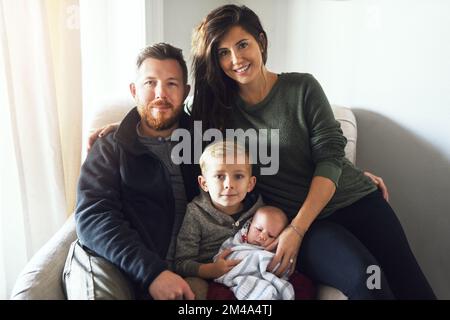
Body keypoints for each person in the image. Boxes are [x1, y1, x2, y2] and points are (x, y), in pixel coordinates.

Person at [87, 5, 435, 300]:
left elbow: (330, 156)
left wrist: (338, 183)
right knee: (365, 280)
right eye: (223, 52)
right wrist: (124, 129)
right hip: (309, 225)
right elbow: (169, 117)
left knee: (412, 284)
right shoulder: (216, 112)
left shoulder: (302, 87)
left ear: (261, 42)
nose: (235, 59)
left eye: (242, 44)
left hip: (354, 200)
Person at [63, 43, 201, 300]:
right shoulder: (109, 147)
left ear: (185, 92)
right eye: (150, 83)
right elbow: (94, 215)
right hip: (130, 270)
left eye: (172, 84)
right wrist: (152, 273)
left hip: (194, 272)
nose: (160, 93)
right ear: (134, 90)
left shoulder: (206, 143)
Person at [174, 140, 264, 288]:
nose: (229, 184)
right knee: (193, 288)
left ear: (250, 184)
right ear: (204, 184)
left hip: (250, 274)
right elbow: (181, 262)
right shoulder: (195, 213)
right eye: (219, 176)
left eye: (238, 176)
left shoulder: (259, 212)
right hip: (208, 277)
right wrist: (210, 270)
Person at [213, 205, 295, 300]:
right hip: (234, 280)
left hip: (262, 281)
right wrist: (217, 265)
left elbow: (283, 267)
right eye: (259, 229)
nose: (262, 236)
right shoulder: (235, 242)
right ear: (249, 225)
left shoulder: (273, 253)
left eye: (271, 236)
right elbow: (219, 257)